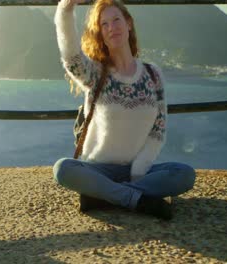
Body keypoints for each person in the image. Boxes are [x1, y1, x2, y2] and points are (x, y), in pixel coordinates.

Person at [52, 0, 196, 220]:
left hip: (138, 171)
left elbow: (158, 130)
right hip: (98, 169)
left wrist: (138, 173)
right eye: (104, 24)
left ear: (128, 23)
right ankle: (135, 199)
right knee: (63, 169)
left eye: (116, 20)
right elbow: (71, 58)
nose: (112, 28)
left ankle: (104, 195)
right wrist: (66, 8)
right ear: (101, 34)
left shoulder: (153, 74)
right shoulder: (96, 74)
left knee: (184, 174)